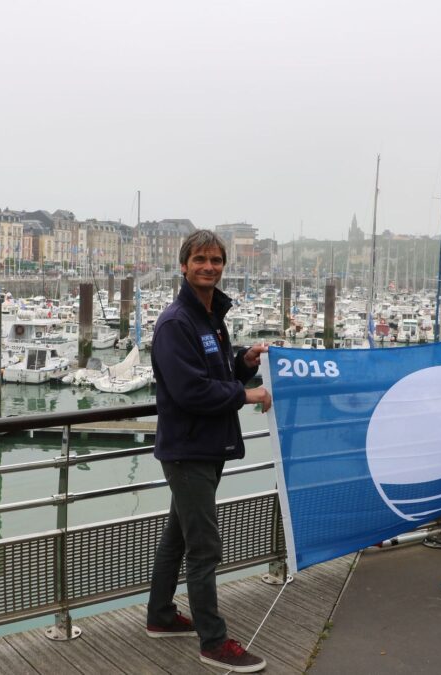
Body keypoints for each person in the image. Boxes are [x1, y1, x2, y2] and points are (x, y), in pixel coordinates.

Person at [145, 229, 271, 673]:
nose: (209, 267)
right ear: (184, 266)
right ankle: (213, 642)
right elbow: (190, 391)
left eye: (216, 260)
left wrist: (243, 364)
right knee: (204, 549)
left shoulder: (211, 315)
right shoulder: (176, 322)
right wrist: (246, 394)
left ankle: (160, 616)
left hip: (206, 445)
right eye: (200, 260)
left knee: (178, 536)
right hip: (188, 450)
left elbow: (214, 373)